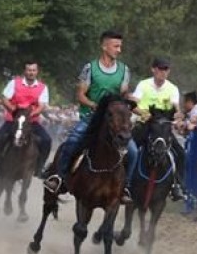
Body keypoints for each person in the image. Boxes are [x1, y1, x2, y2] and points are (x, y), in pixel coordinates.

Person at [43, 29, 138, 202]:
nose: (119, 50)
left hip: (114, 121)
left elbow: (123, 92)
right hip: (91, 118)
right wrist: (95, 105)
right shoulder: (90, 68)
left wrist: (133, 102)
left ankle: (126, 188)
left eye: (120, 47)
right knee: (72, 142)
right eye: (116, 46)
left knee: (133, 151)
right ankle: (59, 177)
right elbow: (81, 95)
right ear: (104, 46)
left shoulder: (124, 70)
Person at [129, 56, 186, 202]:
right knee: (128, 150)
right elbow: (133, 104)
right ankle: (124, 183)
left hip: (162, 127)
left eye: (166, 69)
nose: (163, 72)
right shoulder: (143, 85)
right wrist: (143, 113)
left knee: (180, 153)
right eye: (160, 69)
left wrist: (178, 116)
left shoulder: (172, 88)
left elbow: (176, 108)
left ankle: (177, 186)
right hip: (145, 124)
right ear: (153, 69)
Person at [0, 61, 51, 179]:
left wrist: (30, 114)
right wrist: (12, 109)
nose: (31, 73)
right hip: (13, 119)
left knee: (47, 140)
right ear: (25, 71)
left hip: (31, 121)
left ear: (37, 72)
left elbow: (41, 106)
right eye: (29, 70)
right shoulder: (14, 83)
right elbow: (5, 98)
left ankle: (39, 167)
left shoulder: (42, 87)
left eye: (33, 70)